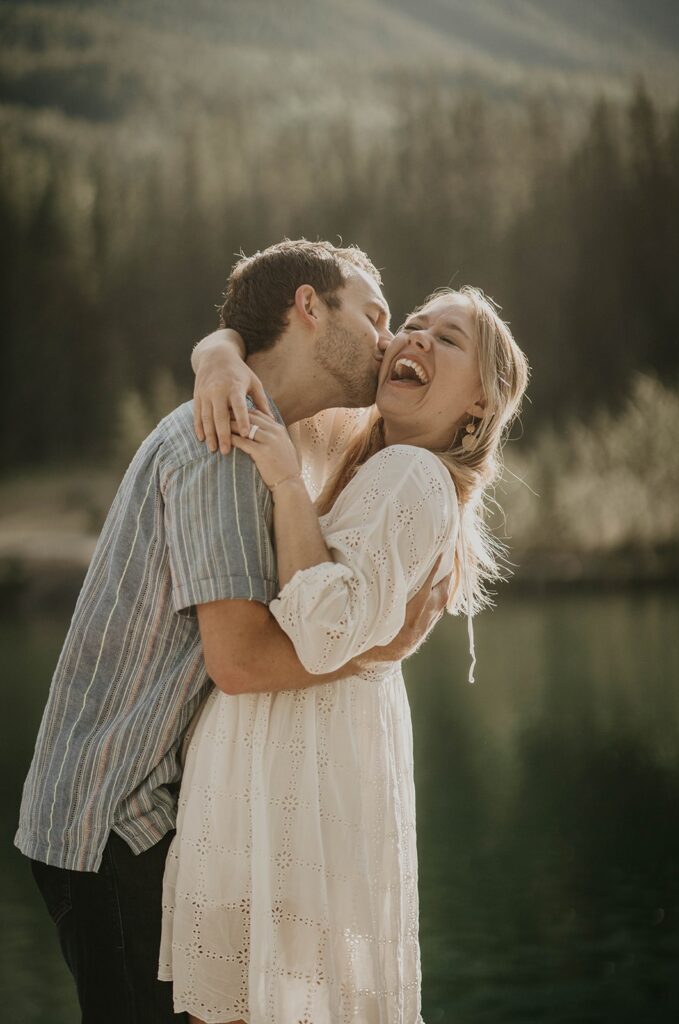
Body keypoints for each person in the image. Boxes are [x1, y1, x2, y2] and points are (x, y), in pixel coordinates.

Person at [14, 239, 447, 1024]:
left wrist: (216, 348)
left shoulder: (267, 431)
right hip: (113, 819)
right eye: (375, 314)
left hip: (137, 811)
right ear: (310, 308)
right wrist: (378, 651)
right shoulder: (225, 439)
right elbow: (241, 661)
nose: (389, 340)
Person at [158, 282, 529, 1022]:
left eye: (446, 339)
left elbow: (323, 634)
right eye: (412, 326)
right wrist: (220, 354)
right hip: (277, 775)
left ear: (478, 405)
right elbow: (244, 364)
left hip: (300, 786)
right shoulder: (368, 456)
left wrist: (288, 485)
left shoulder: (414, 475)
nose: (414, 338)